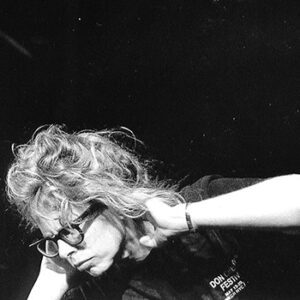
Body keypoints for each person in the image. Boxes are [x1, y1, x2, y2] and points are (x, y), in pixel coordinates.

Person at [6, 125, 300, 300]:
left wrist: (185, 217)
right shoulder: (103, 291)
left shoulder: (198, 205)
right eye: (55, 240)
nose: (65, 250)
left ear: (107, 199)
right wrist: (50, 282)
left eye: (70, 229)